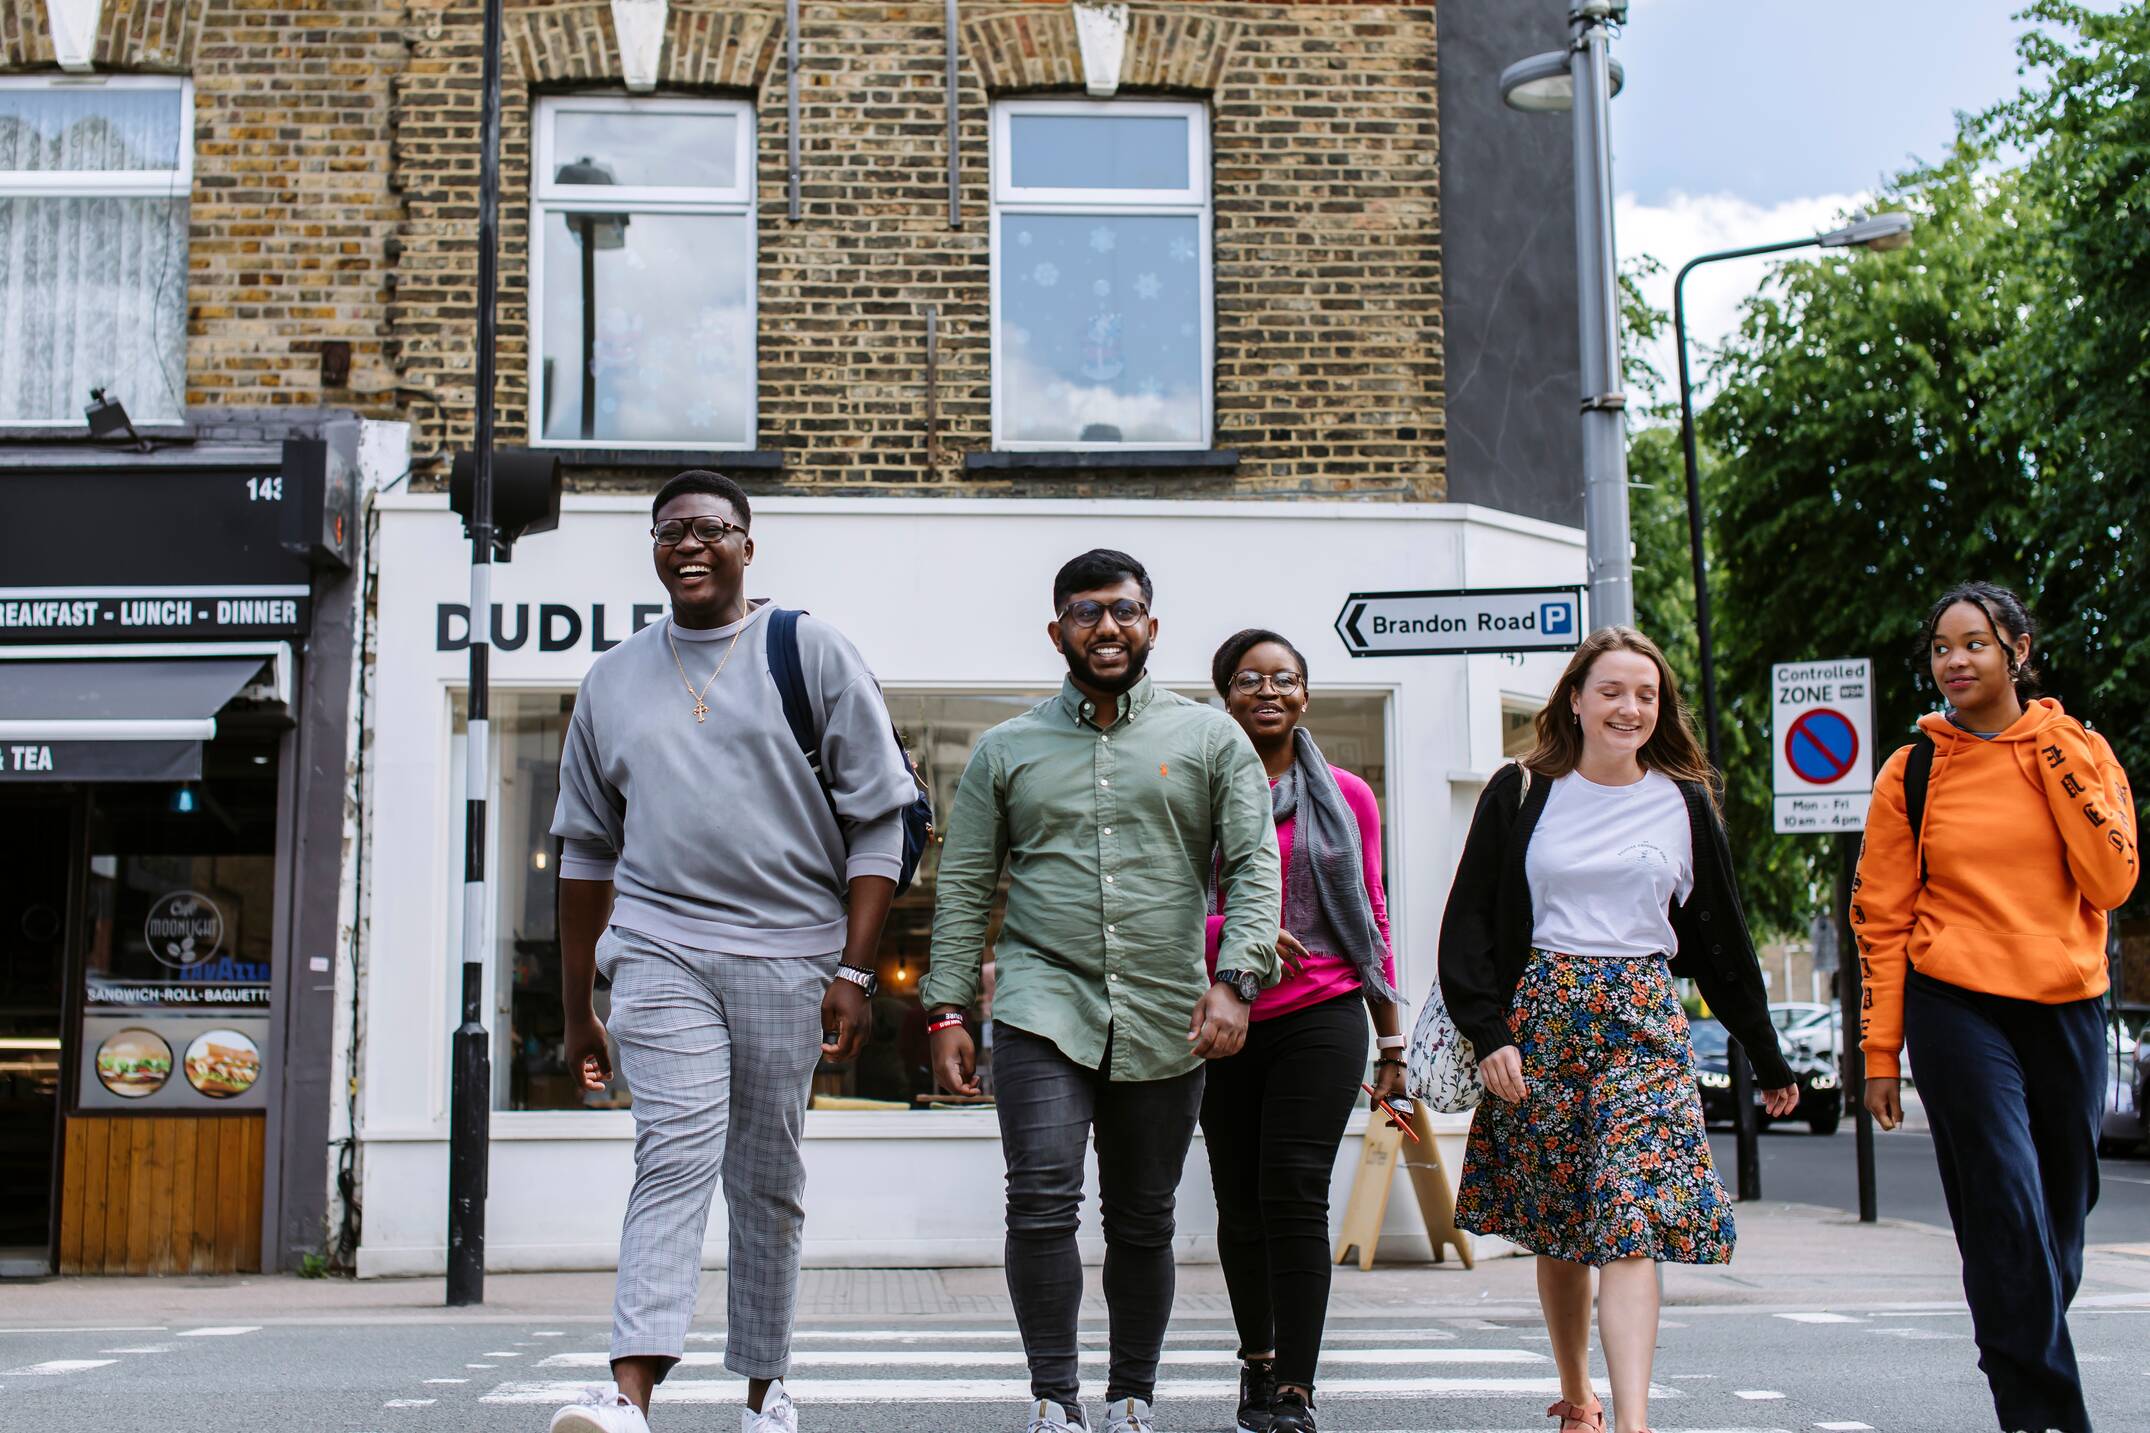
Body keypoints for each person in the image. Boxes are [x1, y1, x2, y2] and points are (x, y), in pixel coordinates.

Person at [546, 471, 919, 1433]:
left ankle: (765, 1385)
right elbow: (586, 851)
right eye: (672, 531)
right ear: (654, 549)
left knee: (766, 1174)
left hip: (793, 954)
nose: (692, 544)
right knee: (673, 1149)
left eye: (713, 528)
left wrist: (851, 969)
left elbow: (879, 822)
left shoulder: (810, 650)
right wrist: (575, 1000)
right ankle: (628, 1391)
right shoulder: (613, 678)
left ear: (748, 545)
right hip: (659, 947)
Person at [922, 549, 1283, 1433]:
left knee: (1143, 1214)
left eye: (1123, 611)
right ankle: (1055, 1396)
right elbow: (964, 883)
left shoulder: (1210, 738)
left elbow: (1252, 865)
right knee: (1040, 1194)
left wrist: (1235, 982)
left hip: (1167, 1006)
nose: (1107, 628)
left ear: (1151, 626)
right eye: (1086, 613)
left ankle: (1131, 1395)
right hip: (1042, 999)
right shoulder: (1006, 749)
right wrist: (946, 1008)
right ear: (1058, 632)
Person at [1437, 626, 1797, 1433]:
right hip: (1542, 1021)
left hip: (1645, 1020)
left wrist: (1765, 1052)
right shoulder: (1521, 790)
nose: (1630, 707)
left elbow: (1723, 943)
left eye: (1646, 694)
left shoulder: (1684, 800)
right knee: (1562, 1225)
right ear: (1575, 698)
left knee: (1630, 1216)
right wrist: (1490, 1032)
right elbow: (1467, 928)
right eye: (1611, 690)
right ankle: (1578, 1394)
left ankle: (1633, 1420)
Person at [1852, 582, 2137, 1433]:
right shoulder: (1914, 771)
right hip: (1956, 1006)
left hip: (2068, 1004)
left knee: (2058, 1218)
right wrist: (1879, 1052)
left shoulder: (2076, 747)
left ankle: (2015, 1334)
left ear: (2017, 649)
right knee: (2003, 1199)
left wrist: (2051, 753)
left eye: (1974, 642)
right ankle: (2045, 1414)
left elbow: (2113, 879)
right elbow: (1882, 916)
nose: (1954, 661)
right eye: (1941, 647)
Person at [1196, 629, 1405, 1433]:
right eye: (1250, 679)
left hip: (1324, 1010)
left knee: (1293, 1190)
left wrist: (1392, 1042)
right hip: (1225, 1015)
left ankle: (1295, 1386)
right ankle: (1256, 1360)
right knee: (1239, 1198)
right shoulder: (1197, 792)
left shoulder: (1347, 794)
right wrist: (1232, 932)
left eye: (1285, 678)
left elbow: (1371, 912)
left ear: (1306, 696)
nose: (1269, 691)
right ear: (1227, 698)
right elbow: (1173, 903)